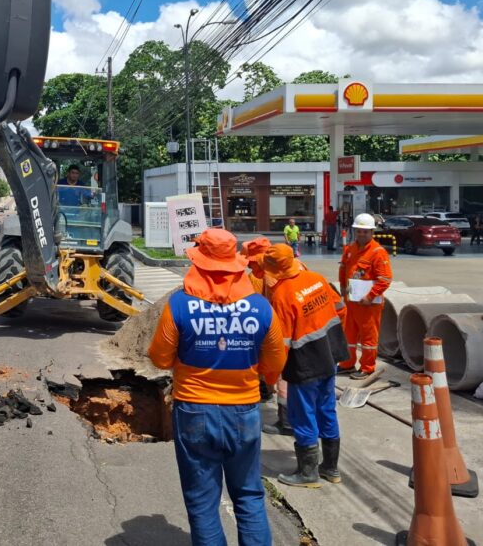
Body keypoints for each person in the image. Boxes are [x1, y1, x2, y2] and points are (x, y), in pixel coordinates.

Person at [148, 228, 287, 546]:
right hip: (244, 413)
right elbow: (276, 364)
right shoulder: (260, 307)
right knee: (250, 496)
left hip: (194, 411)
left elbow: (159, 358)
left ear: (198, 262)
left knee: (202, 503)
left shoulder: (180, 305)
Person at [262, 244, 349, 488]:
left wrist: (270, 375)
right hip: (330, 353)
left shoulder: (282, 295)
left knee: (303, 415)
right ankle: (331, 468)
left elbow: (282, 344)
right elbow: (340, 309)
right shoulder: (316, 278)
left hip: (306, 362)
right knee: (327, 408)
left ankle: (308, 473)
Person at [242, 237, 293, 437]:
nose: (251, 266)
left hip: (286, 335)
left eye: (253, 263)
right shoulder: (277, 272)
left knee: (282, 377)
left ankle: (288, 422)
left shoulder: (271, 278)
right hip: (292, 333)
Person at [338, 213, 393, 380]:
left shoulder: (378, 252)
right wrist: (342, 289)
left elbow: (385, 279)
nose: (361, 234)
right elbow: (344, 269)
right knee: (349, 335)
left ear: (372, 232)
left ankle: (367, 368)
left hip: (369, 305)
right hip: (351, 301)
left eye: (365, 231)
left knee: (369, 337)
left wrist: (370, 297)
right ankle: (347, 364)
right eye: (359, 231)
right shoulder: (350, 249)